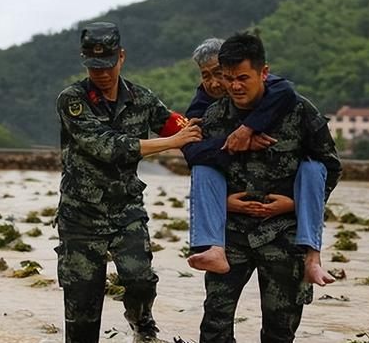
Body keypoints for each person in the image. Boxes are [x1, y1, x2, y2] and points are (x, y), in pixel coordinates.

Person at [183, 33, 342, 343]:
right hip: (231, 235)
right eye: (228, 79)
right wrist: (225, 203)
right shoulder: (214, 116)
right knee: (214, 325)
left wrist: (294, 204)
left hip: (284, 233)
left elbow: (330, 167)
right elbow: (197, 160)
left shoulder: (299, 112)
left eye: (243, 78)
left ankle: (313, 259)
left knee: (280, 330)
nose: (234, 86)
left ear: (263, 73)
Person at [55, 21, 202, 343]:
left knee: (140, 280)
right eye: (94, 66)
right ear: (84, 61)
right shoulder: (73, 100)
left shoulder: (141, 98)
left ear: (121, 57)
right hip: (81, 214)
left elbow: (174, 124)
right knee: (82, 303)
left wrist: (202, 128)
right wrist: (173, 141)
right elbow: (108, 146)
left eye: (108, 64)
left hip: (126, 211)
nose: (102, 73)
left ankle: (141, 324)